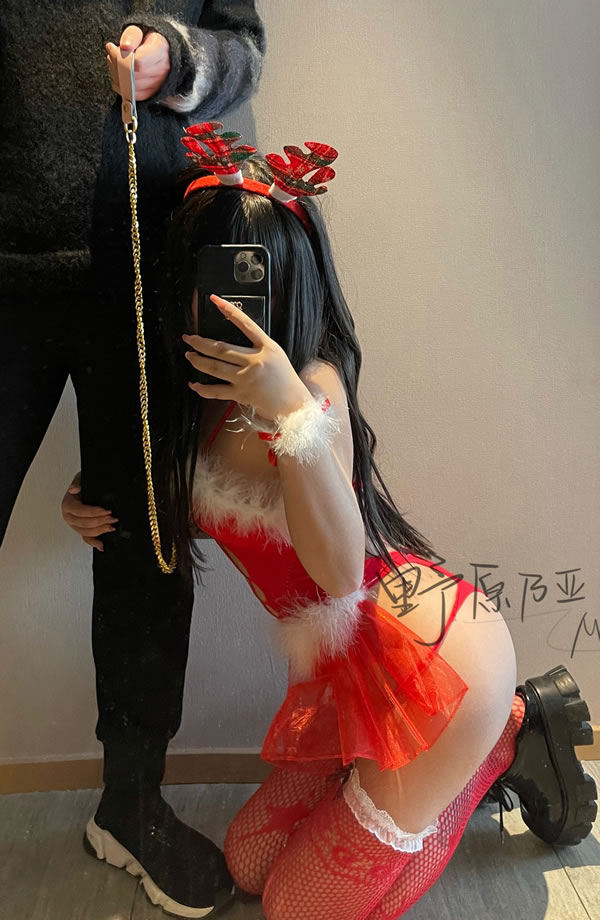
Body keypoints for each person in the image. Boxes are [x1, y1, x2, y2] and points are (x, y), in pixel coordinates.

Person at [62, 123, 598, 920]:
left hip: (435, 666)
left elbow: (340, 572)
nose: (228, 304)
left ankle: (502, 739)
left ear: (295, 283)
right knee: (248, 863)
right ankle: (412, 774)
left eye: (253, 281)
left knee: (295, 905)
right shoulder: (187, 405)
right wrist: (86, 498)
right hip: (341, 673)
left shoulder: (313, 391)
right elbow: (209, 513)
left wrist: (291, 418)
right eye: (210, 276)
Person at [1, 5, 265, 917]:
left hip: (150, 264)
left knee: (147, 547)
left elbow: (243, 49)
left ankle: (131, 802)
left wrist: (174, 60)